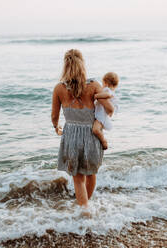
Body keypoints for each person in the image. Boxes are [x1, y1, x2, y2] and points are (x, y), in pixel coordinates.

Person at [51, 49, 114, 210]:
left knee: (78, 178)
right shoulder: (93, 85)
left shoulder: (59, 88)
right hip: (91, 136)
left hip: (71, 135)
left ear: (66, 66)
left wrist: (57, 128)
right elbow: (108, 108)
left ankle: (83, 209)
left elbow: (54, 116)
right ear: (82, 64)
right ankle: (85, 206)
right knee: (91, 173)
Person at [92, 72, 119, 150]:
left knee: (95, 130)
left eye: (102, 82)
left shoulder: (107, 90)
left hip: (101, 115)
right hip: (102, 114)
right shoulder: (107, 90)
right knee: (97, 129)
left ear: (106, 83)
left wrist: (95, 96)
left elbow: (108, 95)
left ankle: (103, 141)